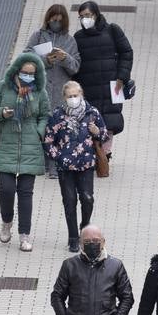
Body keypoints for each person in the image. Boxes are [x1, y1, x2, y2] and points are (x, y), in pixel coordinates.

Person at [0, 52, 50, 252]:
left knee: (25, 192)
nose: (28, 76)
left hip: (30, 146)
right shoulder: (3, 87)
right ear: (17, 70)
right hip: (6, 144)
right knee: (6, 189)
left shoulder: (40, 92)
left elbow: (45, 115)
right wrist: (2, 113)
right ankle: (6, 222)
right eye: (24, 72)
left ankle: (24, 234)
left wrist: (39, 132)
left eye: (32, 73)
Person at [43, 81, 109, 252]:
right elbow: (48, 141)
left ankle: (84, 227)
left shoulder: (92, 112)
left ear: (81, 95)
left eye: (76, 95)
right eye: (70, 96)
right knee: (69, 201)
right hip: (66, 168)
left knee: (87, 198)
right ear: (64, 97)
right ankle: (73, 237)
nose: (73, 99)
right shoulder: (58, 115)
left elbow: (103, 134)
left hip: (86, 164)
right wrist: (58, 157)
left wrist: (97, 132)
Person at [74, 0, 133, 171]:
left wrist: (122, 76)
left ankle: (104, 156)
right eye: (81, 16)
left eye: (88, 15)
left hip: (112, 86)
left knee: (110, 122)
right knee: (90, 122)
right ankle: (93, 154)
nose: (85, 19)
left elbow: (126, 52)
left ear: (96, 14)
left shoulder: (112, 30)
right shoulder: (78, 37)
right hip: (88, 86)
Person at [25, 4, 81, 178]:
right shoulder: (38, 36)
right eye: (53, 19)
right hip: (41, 89)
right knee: (41, 127)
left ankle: (55, 164)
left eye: (59, 20)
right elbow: (25, 58)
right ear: (48, 19)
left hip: (60, 91)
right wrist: (46, 59)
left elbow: (75, 67)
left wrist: (65, 58)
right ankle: (41, 162)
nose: (56, 22)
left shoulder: (70, 40)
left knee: (58, 128)